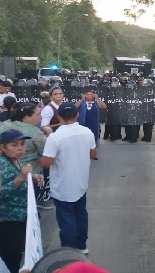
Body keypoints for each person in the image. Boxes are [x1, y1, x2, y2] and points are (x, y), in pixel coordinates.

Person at [41, 103, 97, 254]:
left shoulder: (55, 137)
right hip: (81, 183)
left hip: (63, 185)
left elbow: (46, 164)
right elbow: (93, 155)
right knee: (80, 214)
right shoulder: (87, 132)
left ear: (59, 117)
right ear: (77, 115)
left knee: (66, 220)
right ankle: (81, 246)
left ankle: (68, 251)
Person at [0, 129, 43, 273]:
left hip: (19, 218)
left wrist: (32, 176)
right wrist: (21, 178)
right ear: (2, 147)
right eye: (14, 145)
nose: (20, 148)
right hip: (7, 222)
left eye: (22, 144)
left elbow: (18, 176)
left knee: (16, 256)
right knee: (9, 260)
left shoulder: (15, 159)